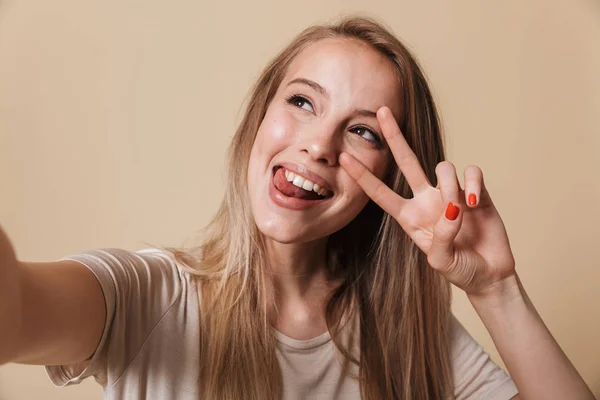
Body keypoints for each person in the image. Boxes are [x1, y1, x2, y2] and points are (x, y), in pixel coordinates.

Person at [0, 16, 594, 400]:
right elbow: (18, 309)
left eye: (362, 132)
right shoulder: (149, 296)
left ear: (389, 176)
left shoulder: (408, 334)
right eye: (303, 101)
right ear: (261, 116)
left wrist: (495, 290)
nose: (318, 144)